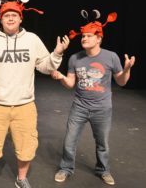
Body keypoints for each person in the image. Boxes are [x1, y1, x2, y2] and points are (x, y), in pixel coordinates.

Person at [0, 0, 70, 188]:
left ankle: (21, 178)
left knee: (26, 147)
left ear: (21, 18)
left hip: (24, 105)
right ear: (1, 19)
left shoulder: (32, 39)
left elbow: (44, 66)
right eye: (7, 15)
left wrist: (56, 54)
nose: (11, 18)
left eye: (14, 15)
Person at [51, 10, 135, 186]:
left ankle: (103, 170)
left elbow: (121, 82)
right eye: (83, 36)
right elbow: (70, 84)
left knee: (102, 143)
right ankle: (66, 168)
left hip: (102, 108)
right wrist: (61, 78)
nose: (84, 38)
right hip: (79, 107)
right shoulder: (75, 58)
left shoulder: (110, 56)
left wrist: (126, 69)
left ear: (99, 39)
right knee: (69, 141)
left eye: (89, 36)